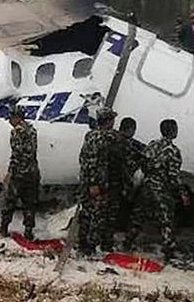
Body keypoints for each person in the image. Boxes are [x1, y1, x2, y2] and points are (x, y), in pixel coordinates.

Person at [125, 119, 184, 261]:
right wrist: (180, 191)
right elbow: (173, 175)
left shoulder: (152, 145)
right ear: (173, 131)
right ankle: (169, 250)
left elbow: (143, 164)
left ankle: (127, 242)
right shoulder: (173, 151)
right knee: (166, 220)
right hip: (161, 190)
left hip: (147, 186)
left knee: (138, 217)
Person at [78, 107, 119, 254]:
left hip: (86, 182)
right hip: (95, 184)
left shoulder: (90, 135)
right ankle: (89, 246)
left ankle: (83, 243)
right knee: (97, 215)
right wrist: (94, 183)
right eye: (112, 119)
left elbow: (82, 159)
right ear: (108, 121)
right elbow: (92, 162)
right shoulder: (101, 138)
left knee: (86, 213)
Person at [0, 106, 40, 240]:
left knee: (10, 201)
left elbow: (17, 154)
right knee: (29, 203)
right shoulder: (32, 130)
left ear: (16, 118)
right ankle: (28, 230)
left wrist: (10, 173)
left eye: (11, 118)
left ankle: (4, 228)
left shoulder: (17, 132)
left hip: (19, 174)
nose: (10, 122)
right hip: (32, 173)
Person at [114, 117, 146, 234]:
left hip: (116, 180)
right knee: (122, 206)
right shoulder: (123, 143)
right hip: (121, 180)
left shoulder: (116, 140)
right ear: (130, 129)